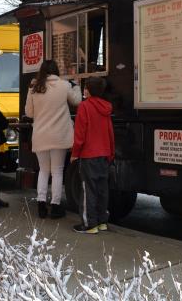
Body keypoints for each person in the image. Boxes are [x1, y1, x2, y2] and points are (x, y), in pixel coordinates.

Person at [25, 60, 81, 219]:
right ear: (56, 70)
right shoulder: (64, 85)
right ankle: (56, 206)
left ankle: (41, 205)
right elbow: (77, 101)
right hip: (59, 136)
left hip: (41, 136)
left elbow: (29, 113)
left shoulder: (34, 88)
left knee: (43, 171)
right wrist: (76, 85)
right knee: (57, 171)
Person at [70, 77, 115, 234]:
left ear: (90, 90)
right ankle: (102, 221)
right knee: (102, 189)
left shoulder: (84, 107)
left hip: (88, 155)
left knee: (88, 190)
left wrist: (75, 153)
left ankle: (89, 224)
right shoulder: (106, 108)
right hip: (104, 154)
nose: (84, 90)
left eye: (86, 87)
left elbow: (80, 133)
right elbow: (110, 132)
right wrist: (111, 152)